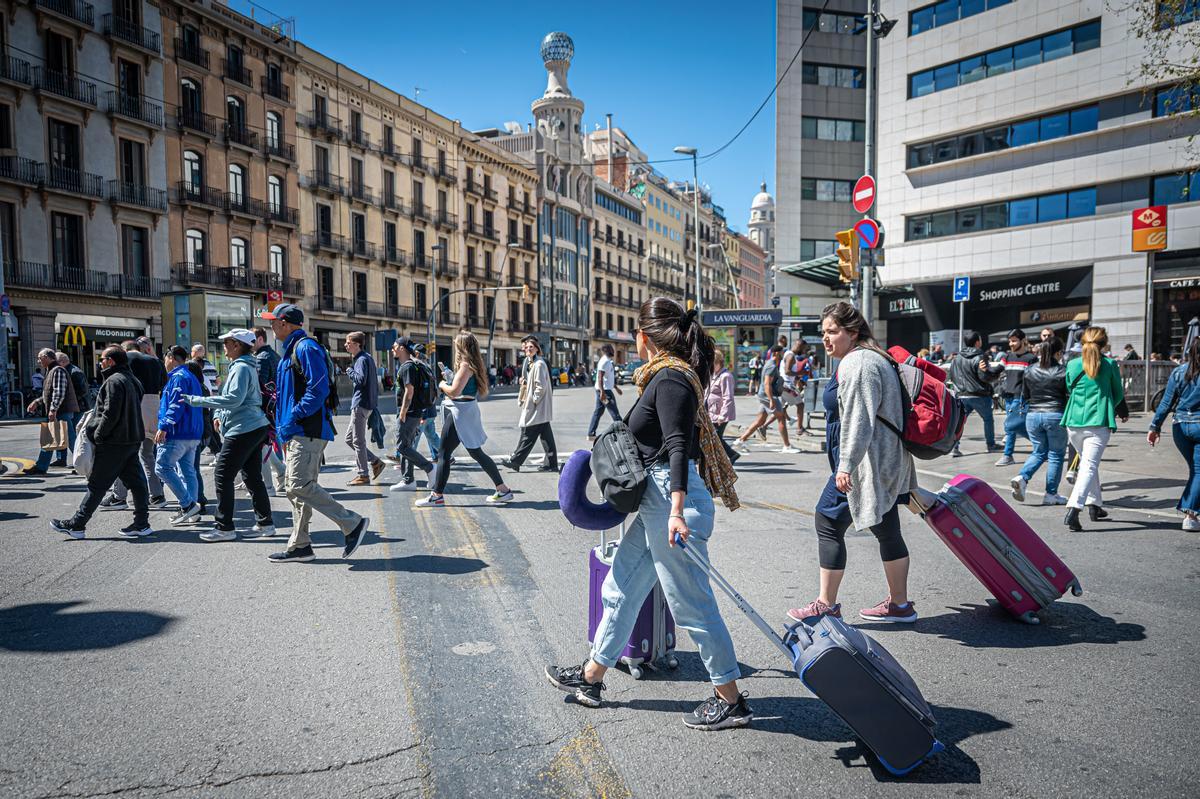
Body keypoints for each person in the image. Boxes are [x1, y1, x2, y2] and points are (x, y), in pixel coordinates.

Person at [544, 297, 750, 730]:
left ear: (644, 336)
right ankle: (591, 678)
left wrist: (675, 510)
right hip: (659, 503)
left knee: (692, 606)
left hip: (672, 504)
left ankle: (730, 698)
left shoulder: (672, 378)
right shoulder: (661, 377)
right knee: (619, 587)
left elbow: (677, 445)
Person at [785, 302, 919, 627]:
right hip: (880, 462)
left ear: (853, 332)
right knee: (887, 528)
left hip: (863, 466)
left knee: (827, 521)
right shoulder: (870, 358)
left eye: (832, 332)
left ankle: (826, 605)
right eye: (823, 333)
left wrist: (845, 465)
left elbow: (859, 419)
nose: (826, 339)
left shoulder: (858, 363)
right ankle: (900, 605)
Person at [264, 304, 369, 562]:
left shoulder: (305, 348)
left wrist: (294, 415)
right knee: (295, 489)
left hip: (306, 430)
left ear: (285, 323)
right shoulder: (291, 352)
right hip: (295, 431)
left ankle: (351, 523)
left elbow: (318, 388)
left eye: (273, 321)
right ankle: (300, 545)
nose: (271, 326)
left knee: (298, 485)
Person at [181, 330, 276, 542]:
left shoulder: (241, 367)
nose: (223, 346)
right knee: (252, 476)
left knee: (223, 475)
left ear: (236, 345)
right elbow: (236, 398)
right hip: (253, 426)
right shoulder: (245, 365)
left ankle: (224, 527)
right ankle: (265, 523)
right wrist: (221, 415)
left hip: (244, 428)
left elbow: (233, 399)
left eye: (226, 343)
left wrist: (196, 401)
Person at [51, 347, 153, 539]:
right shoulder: (133, 380)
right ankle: (142, 523)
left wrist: (98, 435)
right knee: (137, 483)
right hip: (131, 440)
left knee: (97, 485)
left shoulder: (113, 381)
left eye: (103, 359)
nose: (100, 362)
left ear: (111, 361)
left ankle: (77, 525)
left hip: (114, 441)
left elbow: (110, 413)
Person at [416, 331, 514, 507]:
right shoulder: (472, 364)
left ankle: (437, 495)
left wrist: (442, 384)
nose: (454, 346)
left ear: (461, 346)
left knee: (444, 454)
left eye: (456, 343)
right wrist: (451, 379)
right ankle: (503, 489)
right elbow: (461, 387)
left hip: (459, 412)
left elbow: (454, 391)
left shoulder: (465, 365)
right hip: (466, 410)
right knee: (475, 452)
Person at [1062, 327, 1125, 531]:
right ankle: (1074, 507)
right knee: (1089, 465)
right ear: (1104, 344)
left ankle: (1095, 505)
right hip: (1098, 422)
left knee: (1090, 464)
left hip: (1073, 422)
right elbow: (1118, 394)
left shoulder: (1072, 364)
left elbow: (1070, 388)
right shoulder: (1109, 364)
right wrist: (1105, 403)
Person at [103, 339, 166, 508]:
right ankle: (157, 494)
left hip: (134, 404)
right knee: (147, 454)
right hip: (154, 404)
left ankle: (119, 496)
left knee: (122, 451)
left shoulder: (125, 359)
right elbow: (163, 383)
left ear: (124, 350)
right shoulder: (155, 361)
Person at [1149, 337, 1200, 531]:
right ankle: (1190, 515)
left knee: (1197, 471)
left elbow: (1165, 403)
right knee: (1198, 472)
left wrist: (1155, 427)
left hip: (1180, 428)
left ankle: (1191, 512)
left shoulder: (1179, 372)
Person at [1010, 338, 1068, 506]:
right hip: (1055, 414)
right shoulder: (1062, 371)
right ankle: (1051, 494)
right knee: (1056, 455)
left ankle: (1022, 477)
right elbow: (1067, 395)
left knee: (1038, 452)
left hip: (1033, 415)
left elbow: (1026, 395)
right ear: (1058, 353)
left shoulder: (1029, 370)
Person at [154, 346, 205, 526]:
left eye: (165, 358)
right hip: (192, 432)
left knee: (162, 467)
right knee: (187, 471)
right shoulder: (191, 376)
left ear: (171, 358)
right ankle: (192, 510)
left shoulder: (177, 378)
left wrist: (164, 425)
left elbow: (175, 404)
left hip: (178, 431)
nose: (164, 362)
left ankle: (188, 505)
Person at [500, 334, 558, 473]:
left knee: (528, 433)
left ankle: (515, 461)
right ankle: (552, 463)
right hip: (540, 406)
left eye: (531, 347)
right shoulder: (533, 363)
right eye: (526, 347)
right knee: (545, 437)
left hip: (537, 406)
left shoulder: (538, 364)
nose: (528, 349)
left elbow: (540, 386)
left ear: (537, 349)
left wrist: (533, 400)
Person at [389, 336, 437, 491]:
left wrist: (402, 412)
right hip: (415, 412)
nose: (393, 349)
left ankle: (429, 468)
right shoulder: (412, 365)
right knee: (407, 446)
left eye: (395, 346)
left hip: (409, 413)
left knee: (402, 447)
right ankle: (408, 480)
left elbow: (409, 391)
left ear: (402, 348)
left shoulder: (407, 367)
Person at [24, 347, 80, 475]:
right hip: (58, 411)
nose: (39, 361)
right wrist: (36, 402)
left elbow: (59, 392)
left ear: (47, 357)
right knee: (50, 438)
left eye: (40, 358)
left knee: (71, 440)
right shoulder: (51, 371)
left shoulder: (57, 370)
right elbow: (48, 393)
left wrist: (53, 409)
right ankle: (41, 466)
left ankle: (86, 463)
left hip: (61, 411)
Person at [985, 329, 1038, 466]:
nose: (1011, 343)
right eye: (1010, 341)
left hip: (1021, 398)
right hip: (1008, 397)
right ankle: (1040, 445)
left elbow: (1035, 379)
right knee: (1013, 427)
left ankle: (1008, 455)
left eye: (1014, 340)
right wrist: (985, 369)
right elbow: (995, 372)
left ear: (1022, 340)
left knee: (1011, 426)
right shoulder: (1007, 357)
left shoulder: (1031, 359)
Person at [733, 345, 798, 454]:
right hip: (768, 396)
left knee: (760, 421)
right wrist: (771, 399)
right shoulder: (771, 366)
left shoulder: (771, 364)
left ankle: (740, 441)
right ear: (776, 353)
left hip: (765, 395)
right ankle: (787, 446)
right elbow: (767, 384)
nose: (783, 355)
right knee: (781, 418)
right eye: (781, 353)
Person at [948, 332, 998, 457]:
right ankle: (990, 445)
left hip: (962, 394)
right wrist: (995, 373)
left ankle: (955, 447)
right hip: (979, 394)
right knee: (988, 420)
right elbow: (984, 377)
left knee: (960, 422)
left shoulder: (957, 358)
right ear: (977, 342)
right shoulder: (981, 356)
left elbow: (952, 375)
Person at [344, 331, 384, 486]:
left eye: (348, 342)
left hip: (361, 404)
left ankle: (363, 475)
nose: (346, 345)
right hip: (365, 404)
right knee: (349, 439)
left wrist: (349, 371)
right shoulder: (367, 358)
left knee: (357, 441)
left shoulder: (361, 360)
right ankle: (375, 461)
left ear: (357, 344)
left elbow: (360, 380)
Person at [252, 327, 286, 497]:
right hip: (273, 408)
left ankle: (269, 487)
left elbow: (258, 386)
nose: (249, 344)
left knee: (260, 447)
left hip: (264, 410)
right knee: (265, 447)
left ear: (259, 339)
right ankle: (281, 473)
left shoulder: (261, 358)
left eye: (252, 340)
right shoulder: (274, 355)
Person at [704, 348, 739, 464]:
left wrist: (722, 416)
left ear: (719, 362)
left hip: (720, 414)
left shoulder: (725, 376)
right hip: (711, 412)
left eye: (713, 363)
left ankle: (731, 455)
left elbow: (728, 397)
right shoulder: (714, 375)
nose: (711, 366)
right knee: (714, 437)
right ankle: (727, 456)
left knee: (715, 438)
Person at [586, 344, 622, 442]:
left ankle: (590, 433)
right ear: (607, 351)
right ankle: (623, 432)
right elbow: (600, 377)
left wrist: (616, 387)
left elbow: (608, 378)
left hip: (603, 390)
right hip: (605, 391)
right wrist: (602, 392)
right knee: (614, 412)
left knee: (598, 412)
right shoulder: (604, 361)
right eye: (611, 349)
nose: (613, 351)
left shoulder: (608, 361)